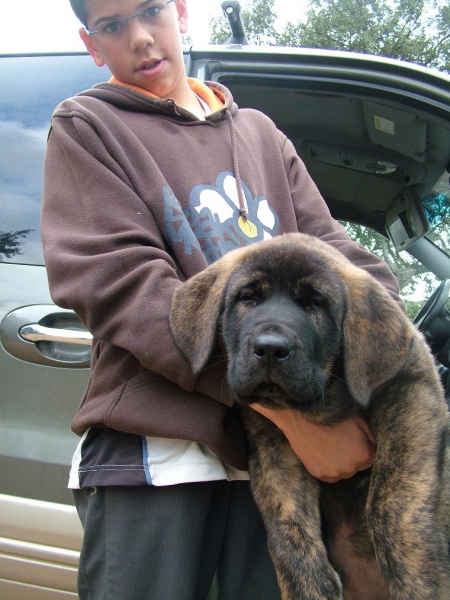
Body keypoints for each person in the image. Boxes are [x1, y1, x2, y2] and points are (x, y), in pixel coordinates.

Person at [41, 1, 402, 598]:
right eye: (111, 25)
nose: (138, 37)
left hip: (273, 472)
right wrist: (299, 419)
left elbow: (344, 261)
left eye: (151, 9)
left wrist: (379, 352)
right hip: (159, 458)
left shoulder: (261, 134)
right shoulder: (88, 126)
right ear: (91, 43)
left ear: (180, 11)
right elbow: (124, 285)